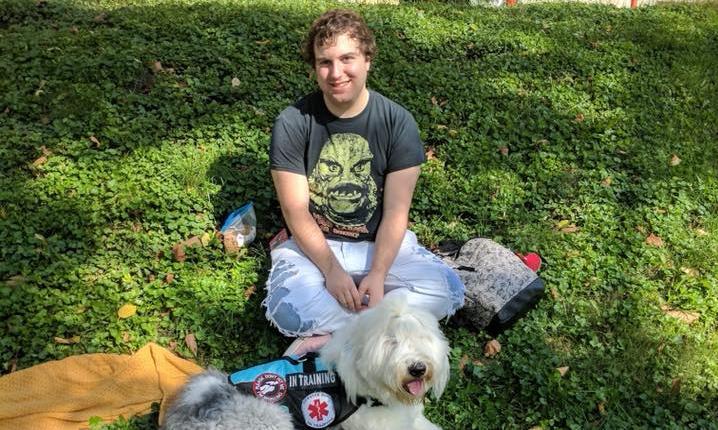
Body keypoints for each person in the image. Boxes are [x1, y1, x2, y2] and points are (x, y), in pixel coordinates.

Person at [263, 9, 465, 355]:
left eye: (347, 58)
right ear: (314, 67)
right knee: (288, 310)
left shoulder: (398, 122)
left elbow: (396, 212)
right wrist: (331, 271)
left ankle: (338, 335)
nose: (336, 73)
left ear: (367, 60)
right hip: (315, 247)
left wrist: (378, 272)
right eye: (324, 62)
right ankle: (387, 327)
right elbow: (296, 213)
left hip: (380, 246)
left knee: (447, 290)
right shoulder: (293, 122)